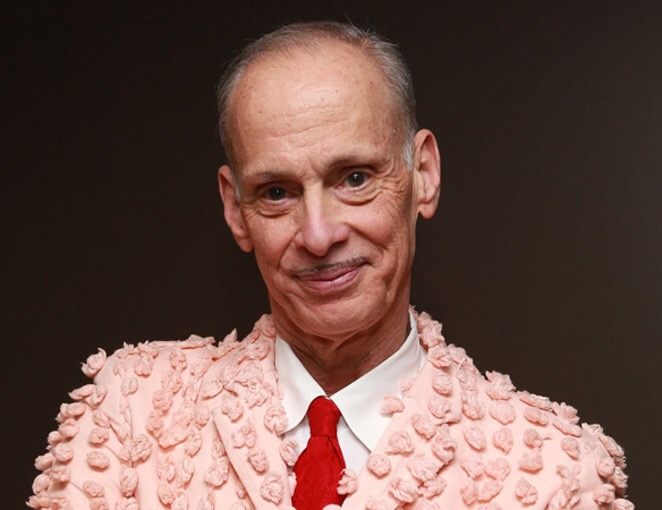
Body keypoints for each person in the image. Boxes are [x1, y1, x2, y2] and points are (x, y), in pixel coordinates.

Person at [28, 21, 633, 510]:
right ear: (235, 210)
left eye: (355, 178)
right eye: (276, 192)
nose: (318, 235)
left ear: (423, 174)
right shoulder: (128, 417)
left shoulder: (555, 473)